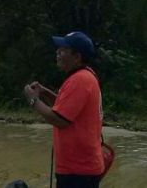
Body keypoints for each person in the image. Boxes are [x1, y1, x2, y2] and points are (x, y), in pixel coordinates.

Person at [23, 32, 104, 188]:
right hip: (82, 168)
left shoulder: (79, 80)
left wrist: (33, 101)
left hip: (78, 171)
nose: (57, 53)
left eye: (63, 50)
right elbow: (67, 109)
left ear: (77, 56)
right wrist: (45, 93)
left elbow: (60, 120)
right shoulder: (85, 76)